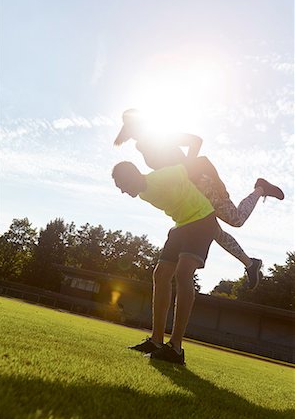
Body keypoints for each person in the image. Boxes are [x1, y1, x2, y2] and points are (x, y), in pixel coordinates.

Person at [114, 109, 284, 289]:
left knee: (236, 219)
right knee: (213, 231)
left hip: (202, 184)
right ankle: (250, 264)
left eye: (134, 127)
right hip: (189, 192)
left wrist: (195, 172)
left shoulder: (160, 136)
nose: (133, 134)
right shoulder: (142, 146)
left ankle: (260, 188)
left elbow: (196, 142)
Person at [112, 159, 218, 365]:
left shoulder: (161, 175)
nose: (123, 192)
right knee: (160, 274)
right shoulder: (143, 193)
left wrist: (219, 184)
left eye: (122, 186)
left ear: (131, 176)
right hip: (182, 224)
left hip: (202, 219)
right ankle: (156, 341)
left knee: (183, 273)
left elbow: (201, 162)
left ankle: (176, 348)